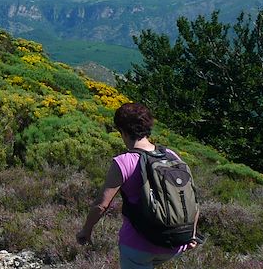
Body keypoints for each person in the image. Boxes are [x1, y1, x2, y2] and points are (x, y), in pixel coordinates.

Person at [76, 103, 199, 268]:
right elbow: (191, 200)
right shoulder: (171, 155)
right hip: (176, 243)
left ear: (122, 131)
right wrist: (191, 234)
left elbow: (101, 205)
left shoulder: (124, 162)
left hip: (138, 247)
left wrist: (86, 230)